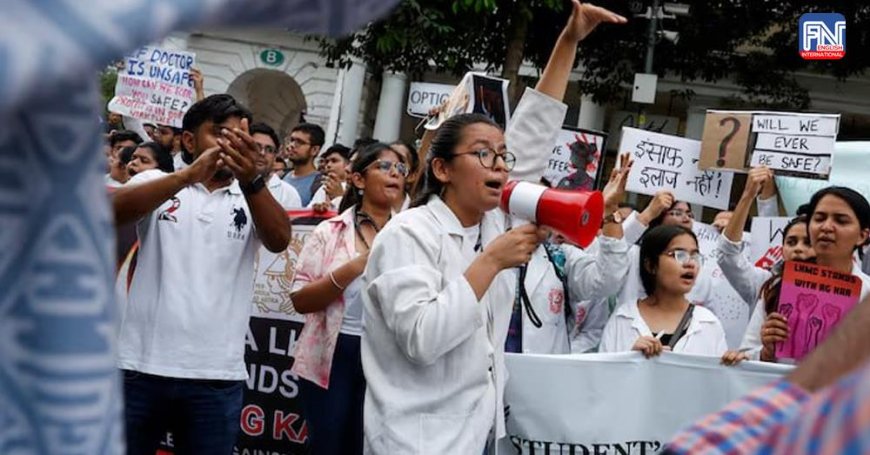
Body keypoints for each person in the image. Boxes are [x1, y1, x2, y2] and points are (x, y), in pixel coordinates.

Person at [361, 3, 626, 452]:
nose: (500, 164)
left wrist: (569, 41)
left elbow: (537, 127)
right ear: (442, 170)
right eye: (484, 153)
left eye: (503, 155)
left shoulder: (493, 222)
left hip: (481, 431)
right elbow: (423, 339)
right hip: (415, 440)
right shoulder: (408, 235)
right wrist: (492, 262)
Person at [112, 94, 291, 454]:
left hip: (216, 377)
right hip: (140, 368)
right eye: (222, 134)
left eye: (243, 137)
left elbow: (279, 240)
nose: (235, 144)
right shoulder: (156, 180)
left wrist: (253, 183)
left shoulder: (254, 196)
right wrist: (187, 177)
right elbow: (110, 213)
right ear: (190, 142)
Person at [291, 142, 407, 455]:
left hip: (386, 357)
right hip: (333, 354)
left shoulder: (412, 234)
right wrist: (356, 265)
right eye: (384, 166)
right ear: (357, 179)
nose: (395, 173)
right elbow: (301, 300)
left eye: (401, 169)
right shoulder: (330, 231)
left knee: (367, 445)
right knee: (328, 444)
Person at [665, 291, 870, 454]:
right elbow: (749, 351)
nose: (800, 248)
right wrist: (765, 352)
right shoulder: (775, 289)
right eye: (792, 241)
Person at [506, 153, 632, 355]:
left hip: (542, 378)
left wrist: (608, 212)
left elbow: (607, 279)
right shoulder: (482, 249)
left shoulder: (561, 258)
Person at [756, 186, 870, 363]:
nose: (826, 227)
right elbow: (745, 355)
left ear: (862, 236)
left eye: (841, 221)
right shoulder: (777, 287)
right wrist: (766, 352)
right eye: (819, 218)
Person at [717, 167, 815, 363]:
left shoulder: (852, 289)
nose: (798, 249)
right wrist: (748, 195)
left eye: (808, 242)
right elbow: (728, 255)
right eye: (791, 242)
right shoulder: (767, 286)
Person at [600, 225, 728, 357]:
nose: (690, 263)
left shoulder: (708, 323)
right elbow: (603, 373)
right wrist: (631, 359)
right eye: (680, 255)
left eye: (695, 256)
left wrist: (734, 363)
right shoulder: (623, 318)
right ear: (650, 265)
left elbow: (718, 376)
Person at [250, 121, 302, 209]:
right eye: (256, 147)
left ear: (275, 156)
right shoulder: (226, 185)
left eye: (269, 150)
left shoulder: (288, 194)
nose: (262, 153)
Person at [283, 123, 325, 205]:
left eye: (299, 142)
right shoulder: (281, 176)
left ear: (315, 150)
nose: (292, 145)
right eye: (292, 140)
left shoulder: (320, 184)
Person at [308, 143, 351, 208]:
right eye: (327, 161)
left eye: (334, 161)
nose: (328, 165)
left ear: (347, 164)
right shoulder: (324, 187)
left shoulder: (353, 189)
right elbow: (308, 210)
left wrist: (338, 197)